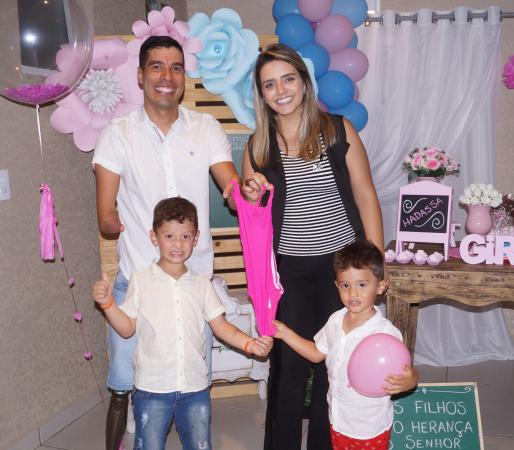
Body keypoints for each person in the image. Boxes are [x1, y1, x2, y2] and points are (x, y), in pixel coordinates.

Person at [92, 35, 239, 450]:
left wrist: (241, 190)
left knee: (194, 381)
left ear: (184, 79)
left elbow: (229, 182)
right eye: (156, 66)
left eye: (176, 67)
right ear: (140, 76)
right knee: (124, 381)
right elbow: (105, 217)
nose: (166, 76)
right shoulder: (117, 134)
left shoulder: (207, 128)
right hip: (138, 280)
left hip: (195, 284)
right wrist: (114, 220)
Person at [240, 43, 387, 450]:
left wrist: (375, 266)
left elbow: (366, 196)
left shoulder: (339, 131)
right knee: (288, 368)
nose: (280, 90)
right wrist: (251, 195)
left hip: (343, 270)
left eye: (288, 78)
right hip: (288, 271)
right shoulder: (257, 148)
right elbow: (252, 216)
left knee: (334, 367)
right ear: (262, 94)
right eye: (269, 84)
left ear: (304, 82)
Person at [92, 197, 273, 450]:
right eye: (169, 236)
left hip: (194, 387)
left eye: (185, 236)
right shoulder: (141, 281)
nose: (178, 244)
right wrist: (108, 304)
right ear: (154, 237)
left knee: (200, 445)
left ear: (196, 238)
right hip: (151, 388)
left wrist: (250, 344)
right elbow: (126, 328)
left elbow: (221, 326)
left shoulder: (201, 284)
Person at [273, 240, 418, 450]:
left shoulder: (384, 332)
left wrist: (411, 379)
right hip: (339, 421)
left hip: (371, 427)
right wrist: (285, 333)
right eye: (345, 285)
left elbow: (406, 370)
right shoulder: (335, 321)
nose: (353, 293)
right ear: (336, 286)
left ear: (381, 286)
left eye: (362, 284)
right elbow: (316, 353)